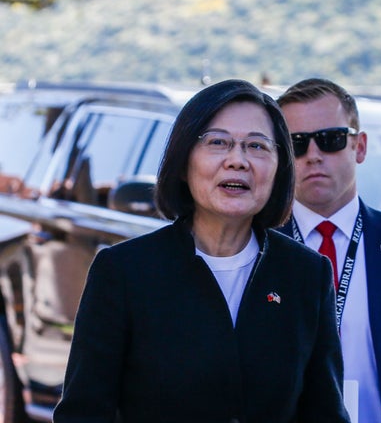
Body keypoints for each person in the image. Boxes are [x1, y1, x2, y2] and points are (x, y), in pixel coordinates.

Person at [54, 79, 350, 423]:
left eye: (257, 146)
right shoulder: (124, 273)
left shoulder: (306, 274)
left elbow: (325, 412)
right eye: (218, 142)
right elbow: (83, 414)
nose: (238, 161)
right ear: (183, 162)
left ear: (279, 167)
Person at [276, 78, 381, 423]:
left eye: (331, 139)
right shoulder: (257, 250)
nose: (314, 156)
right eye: (297, 144)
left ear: (360, 146)